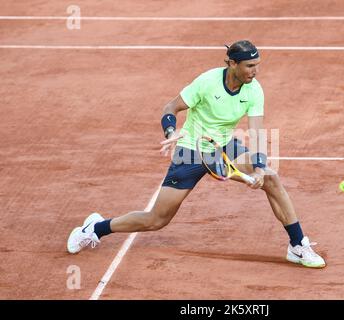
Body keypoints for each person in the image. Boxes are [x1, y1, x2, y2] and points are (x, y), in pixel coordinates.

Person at [67, 40, 326, 268]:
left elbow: (256, 134)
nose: (254, 71)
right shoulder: (207, 81)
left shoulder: (254, 90)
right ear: (233, 64)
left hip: (224, 146)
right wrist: (171, 132)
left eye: (257, 65)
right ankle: (95, 228)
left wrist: (258, 168)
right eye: (249, 66)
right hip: (190, 151)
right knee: (156, 220)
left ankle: (297, 244)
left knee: (270, 177)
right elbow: (171, 107)